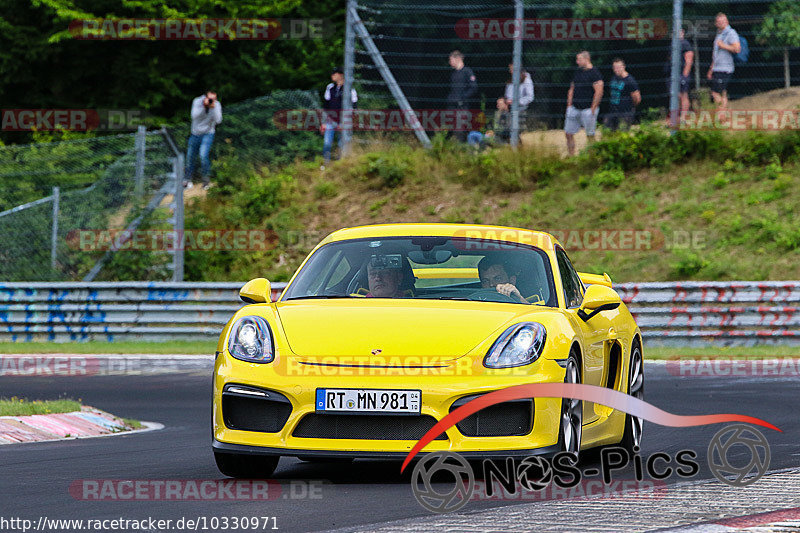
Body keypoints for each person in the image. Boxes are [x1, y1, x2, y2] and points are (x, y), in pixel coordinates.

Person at [565, 51, 603, 156]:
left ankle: (592, 156)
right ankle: (571, 155)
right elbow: (572, 88)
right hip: (574, 107)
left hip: (587, 109)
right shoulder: (578, 72)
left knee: (590, 134)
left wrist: (593, 108)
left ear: (586, 59)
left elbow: (599, 91)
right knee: (568, 133)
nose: (577, 62)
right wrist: (569, 105)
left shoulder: (594, 73)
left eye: (579, 59)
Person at [185, 90, 222, 190]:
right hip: (195, 133)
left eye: (214, 99)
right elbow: (194, 116)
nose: (212, 101)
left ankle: (206, 181)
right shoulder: (197, 102)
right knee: (190, 157)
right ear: (205, 97)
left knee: (203, 155)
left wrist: (212, 108)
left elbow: (218, 120)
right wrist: (204, 107)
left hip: (208, 133)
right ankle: (187, 180)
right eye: (210, 99)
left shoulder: (216, 105)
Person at [321, 66, 358, 167]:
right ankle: (325, 163)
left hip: (343, 121)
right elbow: (326, 106)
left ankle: (340, 164)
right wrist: (323, 122)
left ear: (341, 75)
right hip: (331, 120)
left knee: (342, 144)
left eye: (335, 73)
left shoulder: (350, 89)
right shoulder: (330, 87)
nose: (332, 75)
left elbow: (354, 107)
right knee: (327, 143)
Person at [707, 13, 740, 110]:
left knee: (715, 92)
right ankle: (723, 114)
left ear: (727, 22)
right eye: (719, 22)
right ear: (716, 23)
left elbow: (737, 49)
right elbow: (716, 54)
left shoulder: (731, 33)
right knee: (723, 92)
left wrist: (723, 46)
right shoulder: (719, 34)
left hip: (725, 68)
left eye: (723, 21)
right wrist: (711, 69)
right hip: (717, 68)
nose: (721, 23)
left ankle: (722, 114)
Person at [446, 50, 478, 142]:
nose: (450, 62)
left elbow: (473, 88)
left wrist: (463, 98)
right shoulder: (453, 74)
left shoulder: (467, 72)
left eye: (451, 60)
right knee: (451, 128)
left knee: (460, 129)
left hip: (462, 106)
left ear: (458, 59)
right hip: (452, 105)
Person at [605, 58, 641, 131]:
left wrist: (631, 107)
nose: (616, 69)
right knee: (608, 130)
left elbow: (637, 98)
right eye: (614, 67)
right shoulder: (614, 78)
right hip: (613, 110)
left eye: (618, 67)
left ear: (623, 67)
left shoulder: (630, 80)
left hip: (625, 111)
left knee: (623, 133)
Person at [504, 63, 534, 129]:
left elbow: (530, 97)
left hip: (520, 107)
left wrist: (515, 102)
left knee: (513, 123)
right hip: (509, 107)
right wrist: (505, 101)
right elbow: (507, 95)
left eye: (512, 70)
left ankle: (514, 134)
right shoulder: (510, 81)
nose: (510, 71)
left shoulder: (527, 80)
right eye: (510, 70)